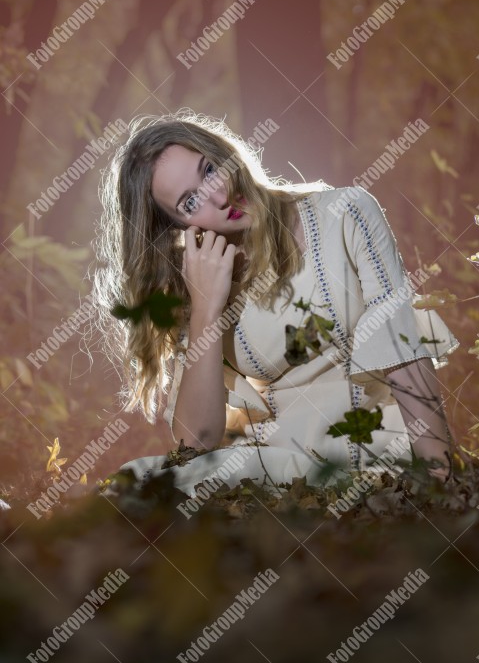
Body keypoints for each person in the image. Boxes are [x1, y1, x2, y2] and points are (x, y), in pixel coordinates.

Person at [94, 110, 460, 496]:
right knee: (137, 486)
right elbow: (195, 442)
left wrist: (439, 479)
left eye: (210, 169)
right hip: (284, 468)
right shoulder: (202, 278)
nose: (219, 196)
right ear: (177, 229)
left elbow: (403, 351)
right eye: (190, 202)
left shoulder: (346, 212)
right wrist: (206, 308)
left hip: (378, 451)